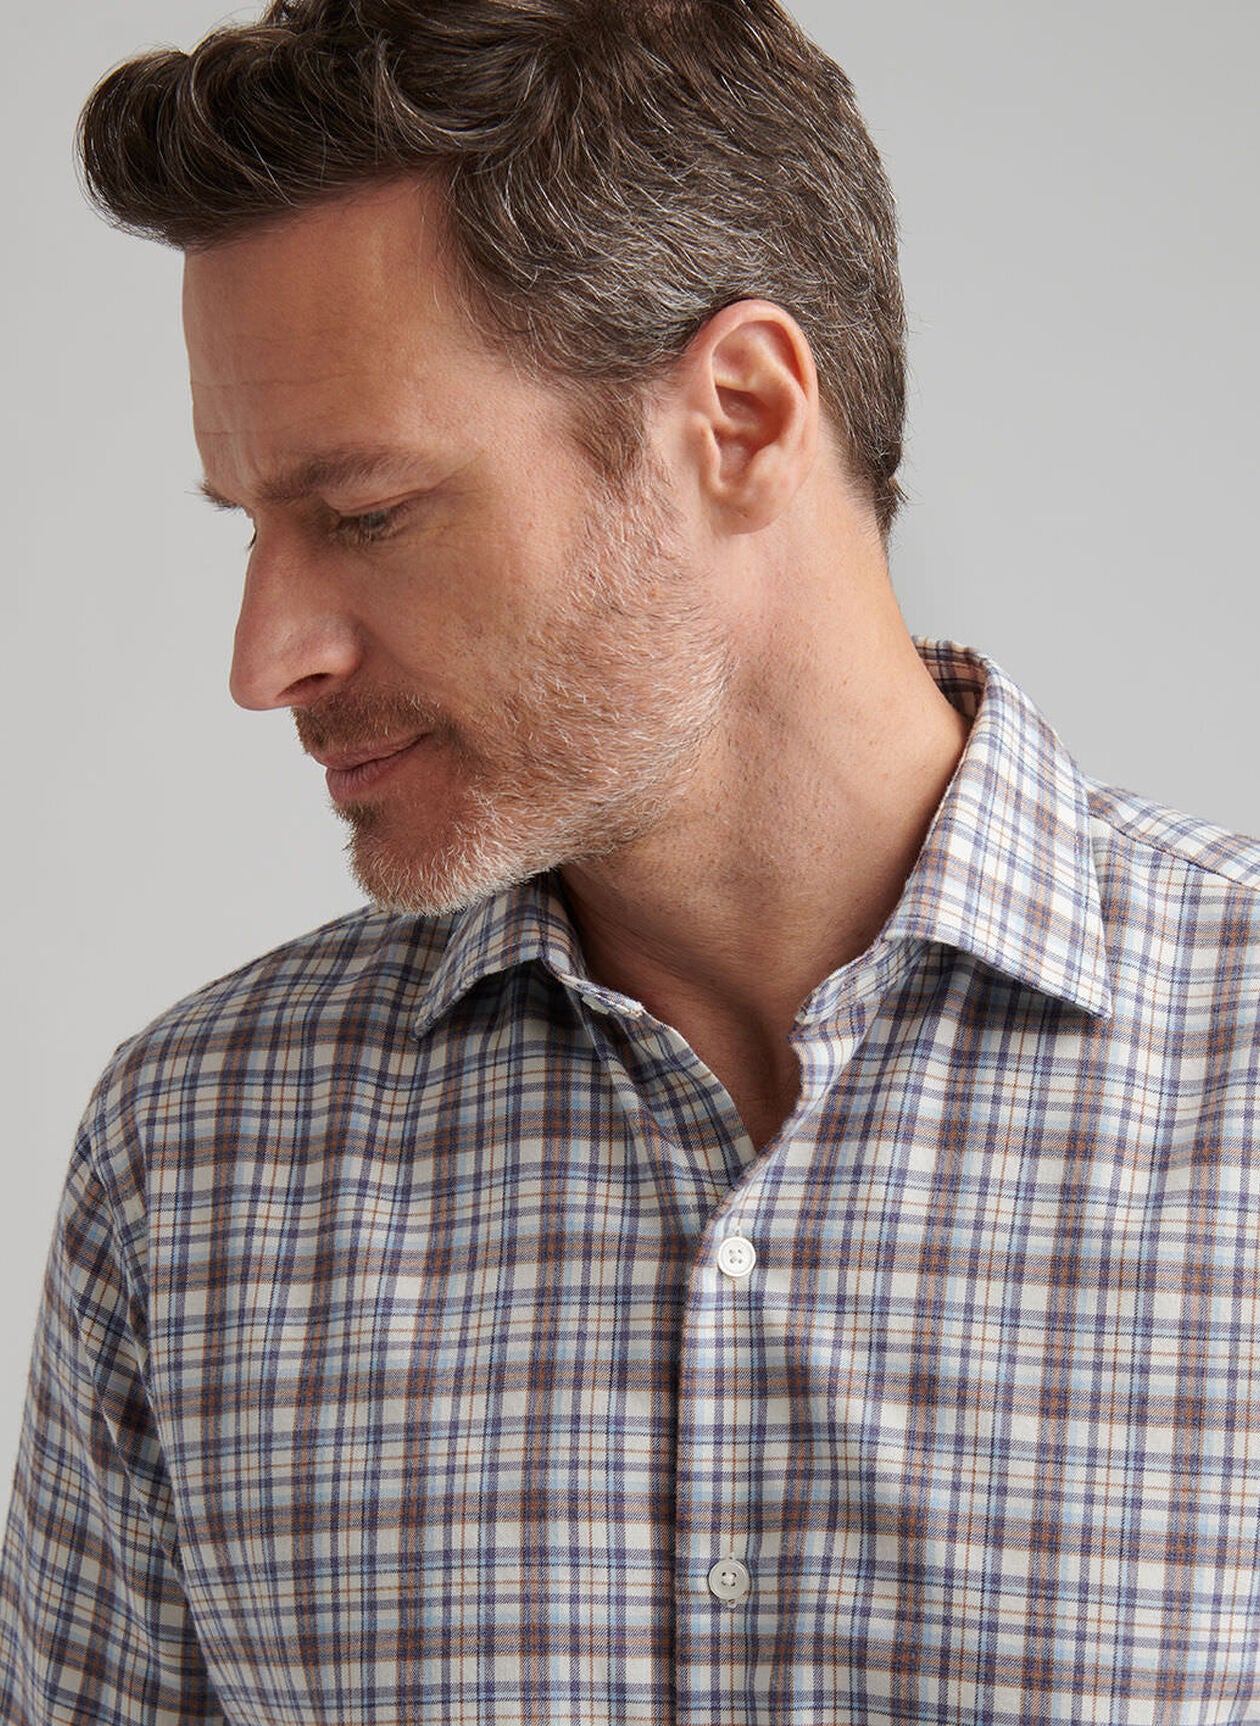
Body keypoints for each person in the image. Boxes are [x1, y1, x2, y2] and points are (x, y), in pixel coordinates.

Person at [2, 0, 1258, 1718]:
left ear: (737, 417)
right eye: (253, 527)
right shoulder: (190, 1166)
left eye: (365, 513)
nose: (265, 655)